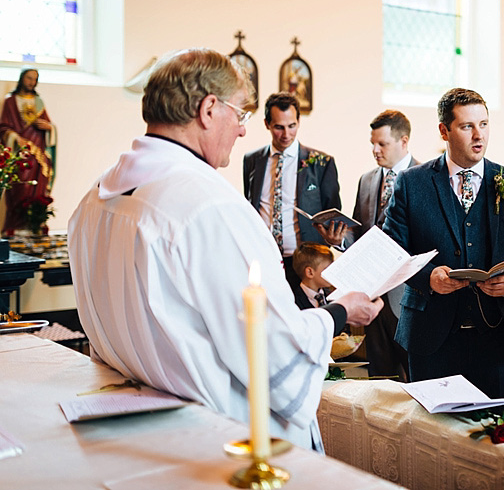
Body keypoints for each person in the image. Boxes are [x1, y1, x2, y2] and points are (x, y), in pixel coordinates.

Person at [68, 48, 383, 451]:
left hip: (144, 428)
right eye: (241, 115)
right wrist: (340, 312)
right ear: (208, 109)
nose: (242, 131)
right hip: (227, 440)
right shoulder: (208, 207)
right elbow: (275, 358)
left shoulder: (94, 198)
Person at [382, 88, 504, 400]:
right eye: (467, 126)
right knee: (432, 439)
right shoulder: (412, 183)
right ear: (444, 130)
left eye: (483, 124)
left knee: (496, 436)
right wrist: (428, 277)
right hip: (431, 336)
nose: (478, 135)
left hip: (496, 336)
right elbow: (392, 249)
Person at [242, 92, 342, 290]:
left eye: (292, 126)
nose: (286, 134)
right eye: (279, 127)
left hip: (304, 264)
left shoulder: (321, 162)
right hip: (263, 258)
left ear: (298, 122)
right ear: (267, 124)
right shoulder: (252, 160)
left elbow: (332, 213)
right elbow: (251, 204)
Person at [347, 109, 418, 380]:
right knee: (379, 377)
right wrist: (340, 238)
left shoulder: (425, 178)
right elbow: (358, 230)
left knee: (415, 376)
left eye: (382, 144)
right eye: (373, 144)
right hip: (372, 294)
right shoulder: (367, 180)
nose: (375, 150)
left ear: (404, 141)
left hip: (407, 295)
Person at [0, 67, 55, 232]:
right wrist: (17, 138)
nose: (32, 82)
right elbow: (3, 128)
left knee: (37, 187)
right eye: (29, 78)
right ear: (22, 79)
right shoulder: (11, 101)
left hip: (38, 152)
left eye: (35, 79)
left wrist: (48, 127)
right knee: (20, 188)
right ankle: (15, 227)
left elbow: (49, 126)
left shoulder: (39, 102)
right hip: (20, 152)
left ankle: (34, 225)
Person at [291, 242, 335, 310]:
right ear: (310, 272)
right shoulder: (294, 301)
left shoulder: (332, 295)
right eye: (327, 269)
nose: (332, 273)